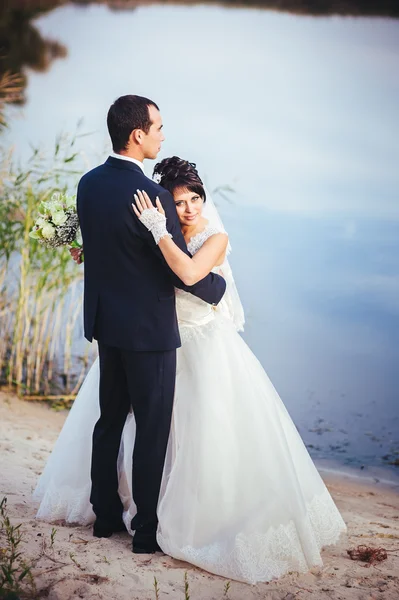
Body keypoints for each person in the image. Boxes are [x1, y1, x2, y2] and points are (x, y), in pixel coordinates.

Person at [34, 155, 346, 584]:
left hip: (199, 344)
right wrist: (84, 243)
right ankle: (124, 512)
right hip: (152, 340)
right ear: (165, 202)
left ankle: (182, 516)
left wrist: (163, 235)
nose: (189, 208)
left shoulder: (214, 237)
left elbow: (191, 274)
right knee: (132, 425)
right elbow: (129, 262)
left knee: (199, 433)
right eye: (179, 202)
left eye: (195, 198)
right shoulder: (159, 231)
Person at [50, 95, 226, 555]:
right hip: (149, 334)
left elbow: (93, 245)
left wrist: (70, 244)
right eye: (159, 127)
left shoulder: (88, 184)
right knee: (151, 429)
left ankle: (105, 516)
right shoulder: (154, 197)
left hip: (107, 326)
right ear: (137, 135)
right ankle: (145, 531)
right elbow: (178, 270)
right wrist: (217, 290)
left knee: (109, 422)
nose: (162, 135)